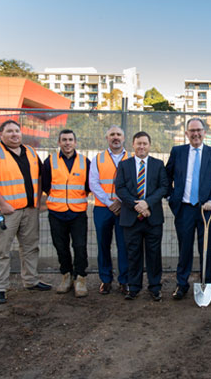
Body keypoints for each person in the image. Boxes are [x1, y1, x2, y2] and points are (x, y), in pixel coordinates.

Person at [0, 120, 51, 304]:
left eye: (17, 130)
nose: (14, 134)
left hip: (29, 209)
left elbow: (40, 176)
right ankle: (0, 287)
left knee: (30, 247)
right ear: (1, 134)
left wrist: (38, 200)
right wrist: (2, 204)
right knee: (1, 250)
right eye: (9, 131)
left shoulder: (31, 152)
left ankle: (31, 280)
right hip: (6, 211)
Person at [166, 118, 211, 300]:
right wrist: (170, 197)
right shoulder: (178, 152)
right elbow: (166, 176)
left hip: (206, 209)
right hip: (184, 208)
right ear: (186, 134)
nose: (195, 134)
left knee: (206, 248)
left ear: (204, 132)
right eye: (192, 131)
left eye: (198, 130)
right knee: (184, 248)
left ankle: (208, 282)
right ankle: (182, 284)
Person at [115, 131, 169, 301]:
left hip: (153, 217)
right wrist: (137, 205)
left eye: (145, 143)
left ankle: (154, 287)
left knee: (154, 254)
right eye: (138, 143)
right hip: (131, 218)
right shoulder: (124, 165)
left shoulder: (158, 164)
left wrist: (147, 203)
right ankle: (134, 287)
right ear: (133, 145)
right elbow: (120, 189)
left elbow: (163, 187)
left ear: (149, 145)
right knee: (133, 254)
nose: (141, 147)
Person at [43, 129, 90, 298]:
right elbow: (45, 185)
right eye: (64, 140)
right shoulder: (50, 161)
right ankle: (66, 275)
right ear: (59, 142)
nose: (67, 143)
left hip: (77, 213)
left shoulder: (85, 162)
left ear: (75, 142)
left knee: (79, 246)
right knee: (60, 246)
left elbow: (88, 186)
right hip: (56, 212)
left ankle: (80, 277)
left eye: (70, 139)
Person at [89, 125, 129, 295]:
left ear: (124, 138)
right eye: (112, 134)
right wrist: (109, 202)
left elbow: (133, 184)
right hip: (102, 208)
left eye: (118, 134)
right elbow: (93, 183)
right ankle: (105, 280)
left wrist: (120, 201)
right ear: (107, 138)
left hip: (125, 209)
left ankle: (124, 281)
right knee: (103, 245)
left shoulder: (131, 158)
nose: (115, 137)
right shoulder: (98, 158)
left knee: (124, 245)